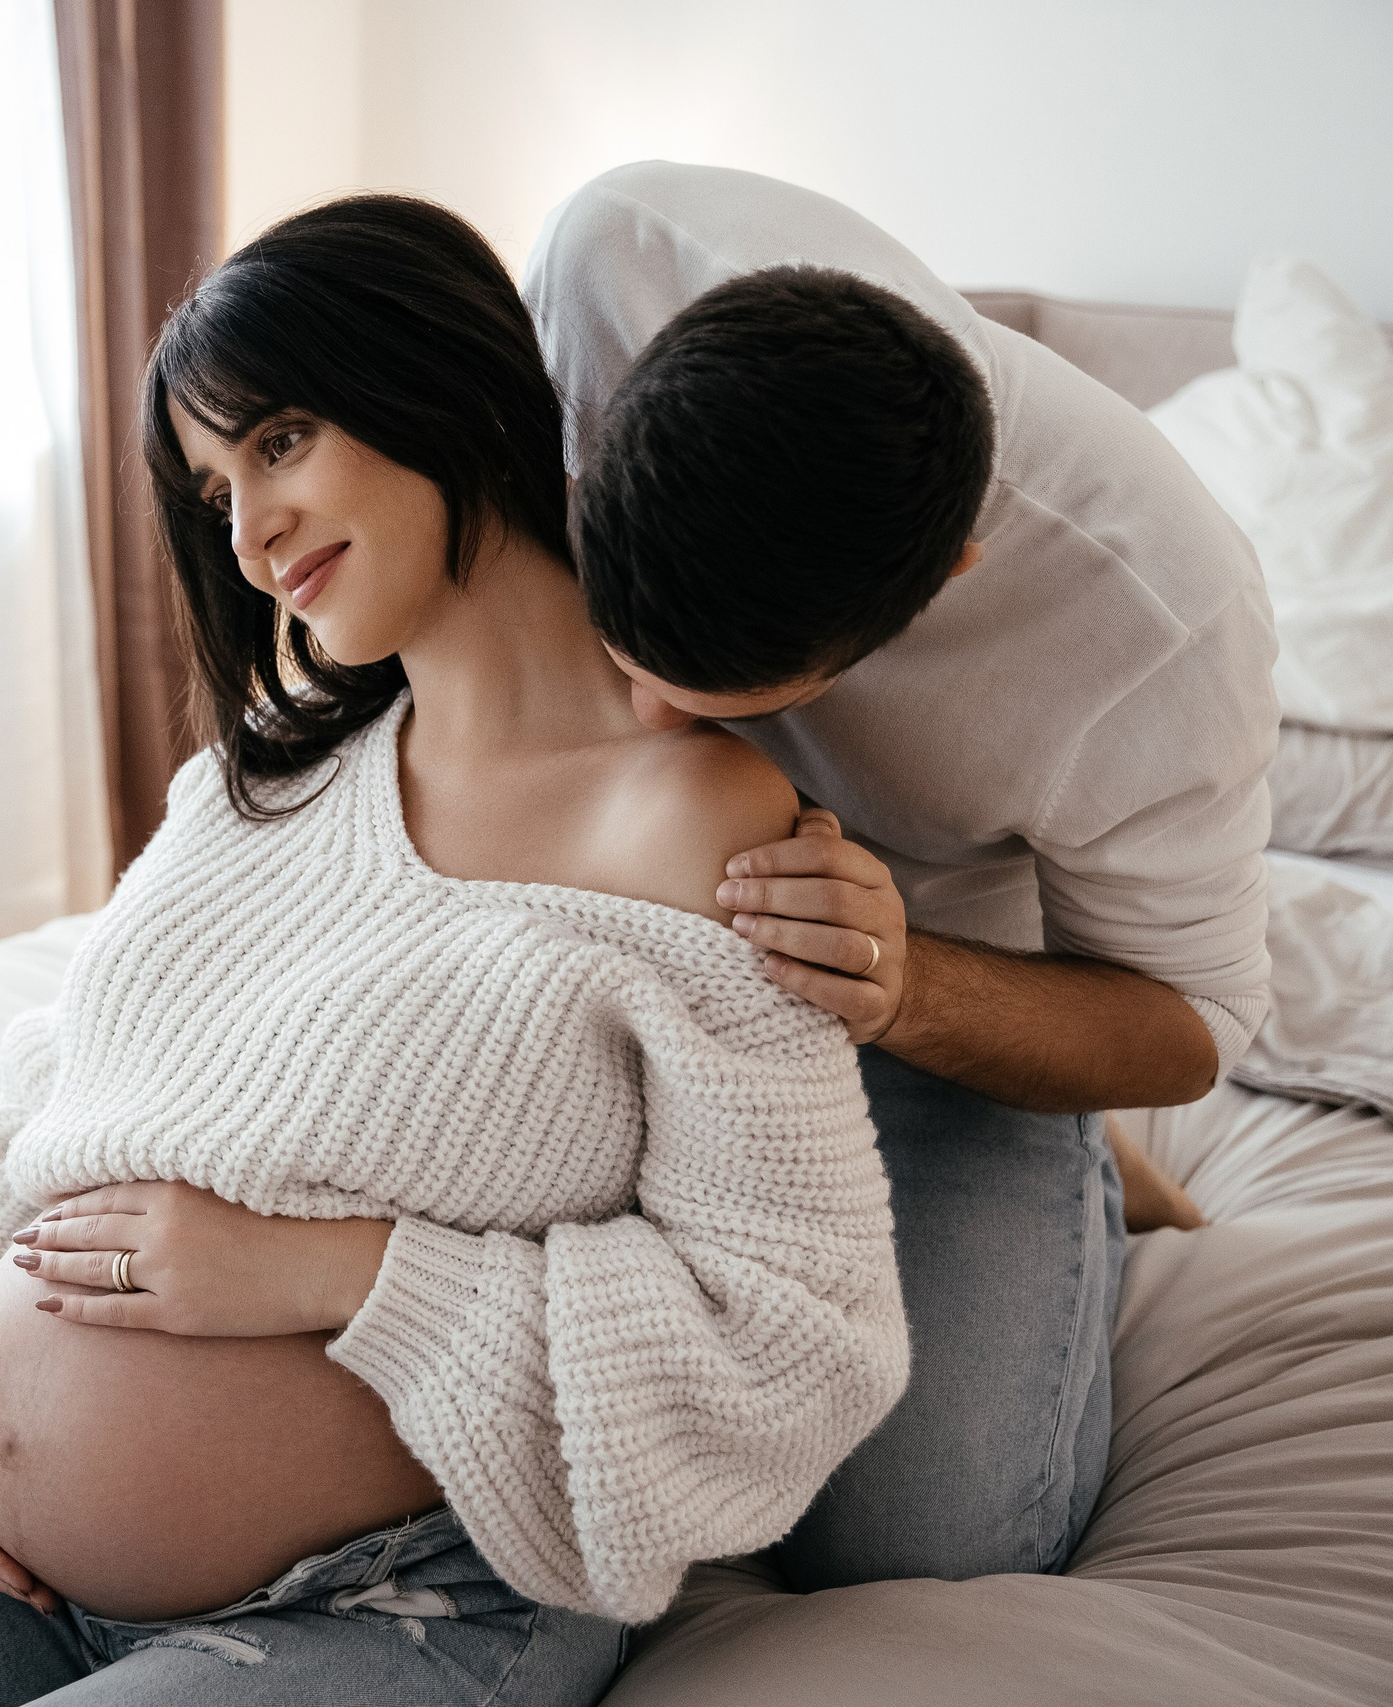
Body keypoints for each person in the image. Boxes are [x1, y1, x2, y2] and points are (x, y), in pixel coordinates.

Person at [0, 195, 907, 1707]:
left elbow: (797, 1327)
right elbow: (63, 1063)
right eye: (216, 490)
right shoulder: (264, 783)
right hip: (10, 1572)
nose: (252, 532)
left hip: (406, 1595)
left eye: (281, 442)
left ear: (449, 388)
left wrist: (340, 1275)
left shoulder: (697, 826)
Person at [526, 162, 1276, 1589]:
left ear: (943, 588)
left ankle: (1088, 1179)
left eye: (714, 694)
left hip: (928, 1007)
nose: (647, 724)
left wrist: (909, 986)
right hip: (608, 923)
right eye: (629, 657)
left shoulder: (1165, 635)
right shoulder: (614, 265)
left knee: (912, 1540)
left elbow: (1185, 1031)